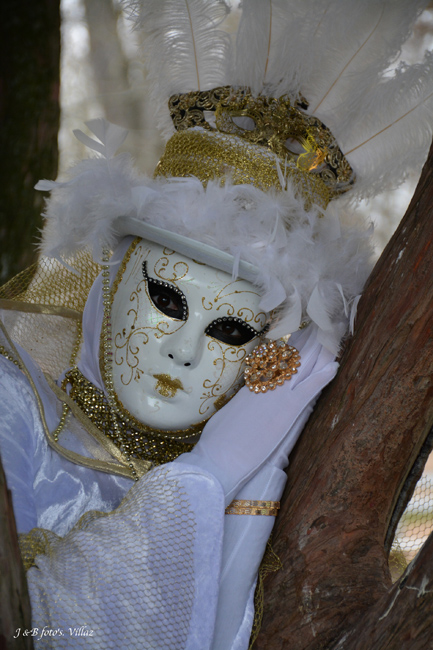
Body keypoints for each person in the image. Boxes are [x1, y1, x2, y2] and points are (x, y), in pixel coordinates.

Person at [1, 1, 432, 648]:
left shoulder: (265, 453)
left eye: (230, 330)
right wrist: (205, 478)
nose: (181, 352)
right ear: (109, 282)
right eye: (167, 300)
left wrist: (253, 478)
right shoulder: (10, 411)